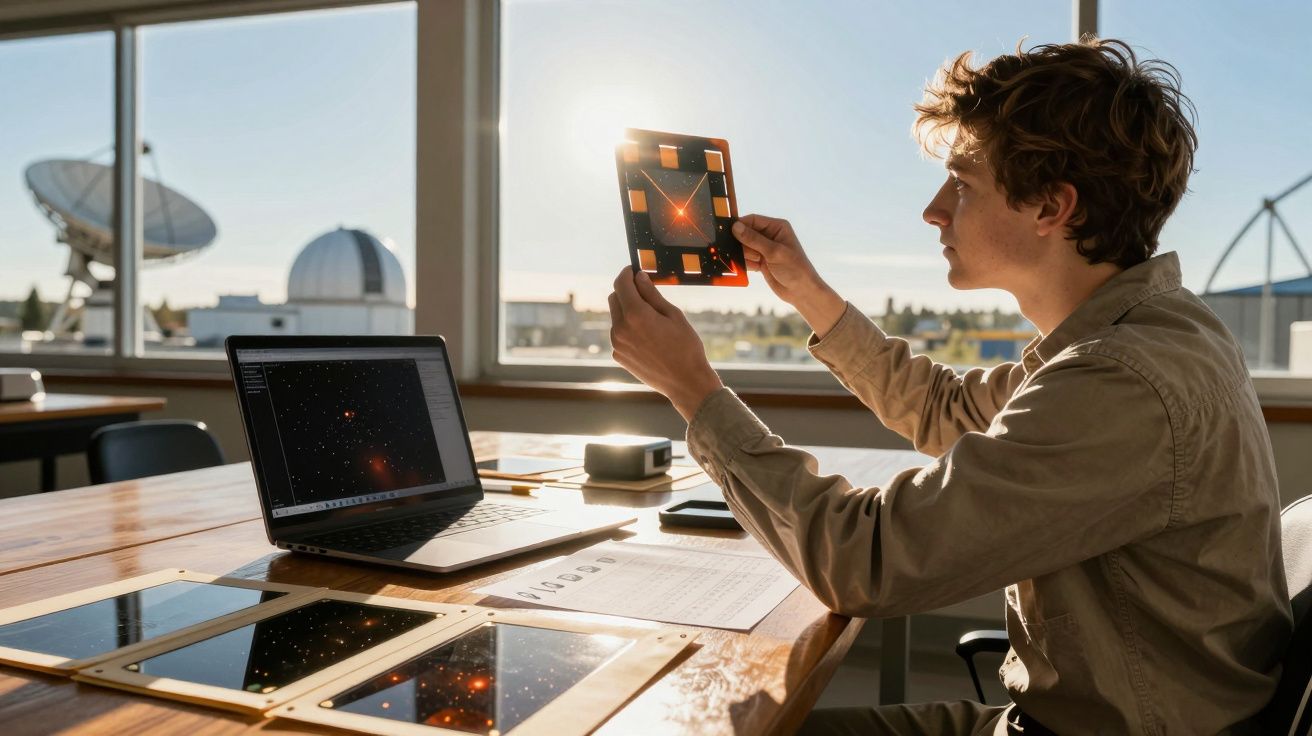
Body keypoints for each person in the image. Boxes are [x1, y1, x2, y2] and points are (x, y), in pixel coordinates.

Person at [606, 38, 1293, 734]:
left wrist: (692, 389)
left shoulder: (1121, 381)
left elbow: (866, 560)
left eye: (962, 184)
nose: (934, 211)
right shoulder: (1135, 333)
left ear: (1052, 208)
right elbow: (949, 410)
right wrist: (808, 292)